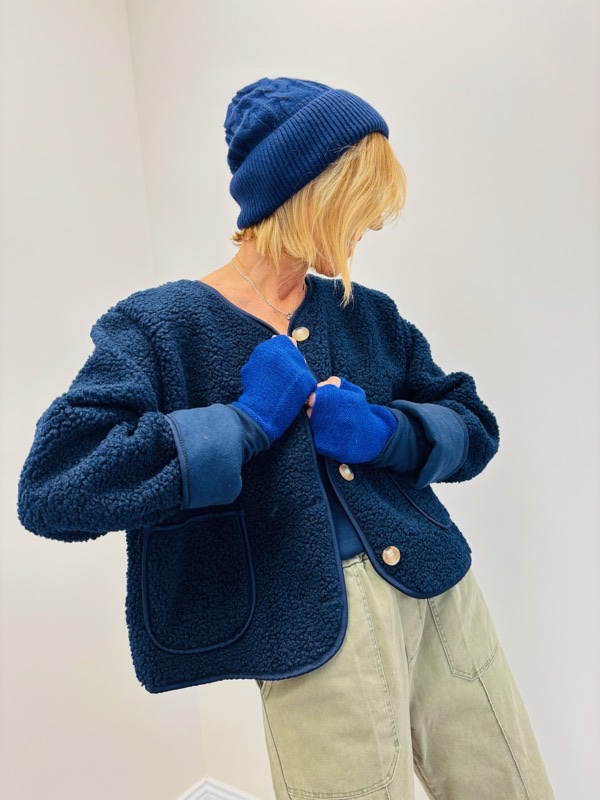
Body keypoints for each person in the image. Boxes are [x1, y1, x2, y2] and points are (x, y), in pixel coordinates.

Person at [18, 77, 554, 799]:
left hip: (442, 595)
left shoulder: (367, 314)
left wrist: (385, 432)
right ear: (310, 193)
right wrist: (241, 424)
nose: (373, 225)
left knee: (514, 786)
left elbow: (474, 424)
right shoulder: (161, 327)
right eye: (361, 203)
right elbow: (56, 484)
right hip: (314, 639)